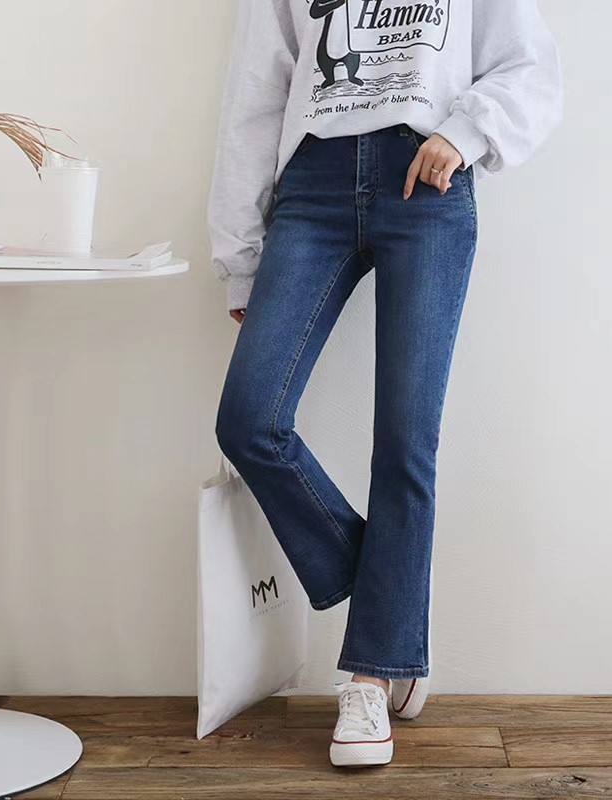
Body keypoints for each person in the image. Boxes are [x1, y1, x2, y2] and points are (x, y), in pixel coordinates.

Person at [207, 0, 562, 768]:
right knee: (250, 420)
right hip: (312, 186)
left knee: (405, 440)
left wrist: (464, 134)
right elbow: (255, 89)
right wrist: (240, 251)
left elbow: (528, 65)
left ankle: (371, 675)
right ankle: (392, 619)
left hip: (427, 180)